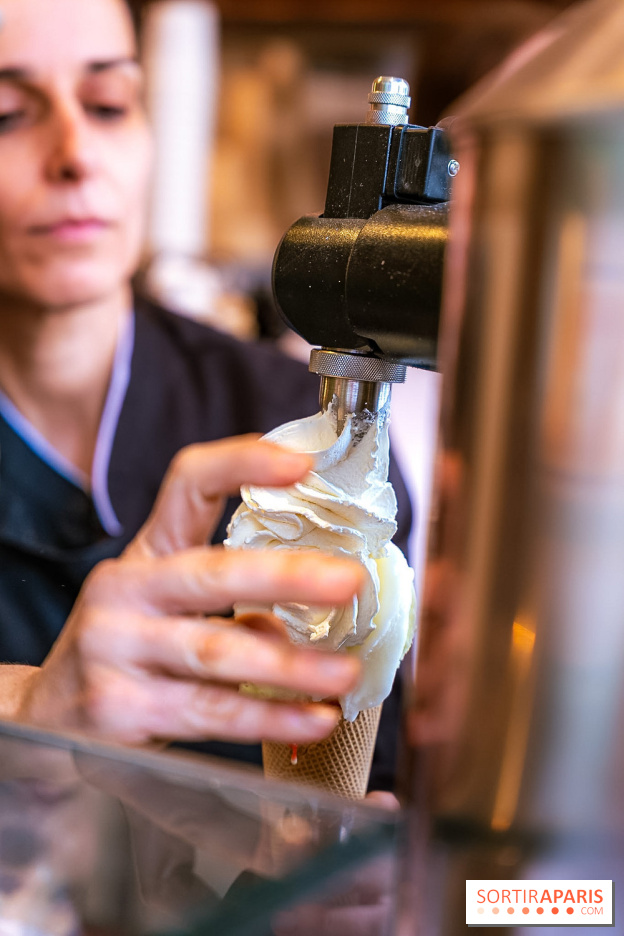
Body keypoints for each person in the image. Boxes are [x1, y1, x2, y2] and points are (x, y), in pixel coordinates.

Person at [0, 0, 411, 783]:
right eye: (8, 116)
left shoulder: (305, 434)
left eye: (108, 105)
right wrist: (25, 705)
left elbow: (387, 779)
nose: (75, 154)